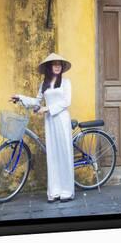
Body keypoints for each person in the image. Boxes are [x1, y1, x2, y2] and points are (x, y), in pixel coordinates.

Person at [10, 52, 75, 202]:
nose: (57, 66)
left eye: (59, 64)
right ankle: (55, 191)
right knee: (52, 154)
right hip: (50, 122)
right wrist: (20, 97)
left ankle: (67, 190)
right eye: (54, 64)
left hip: (61, 119)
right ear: (49, 67)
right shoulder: (43, 85)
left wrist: (47, 109)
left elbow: (66, 102)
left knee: (64, 154)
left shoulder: (66, 83)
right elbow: (37, 101)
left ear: (62, 67)